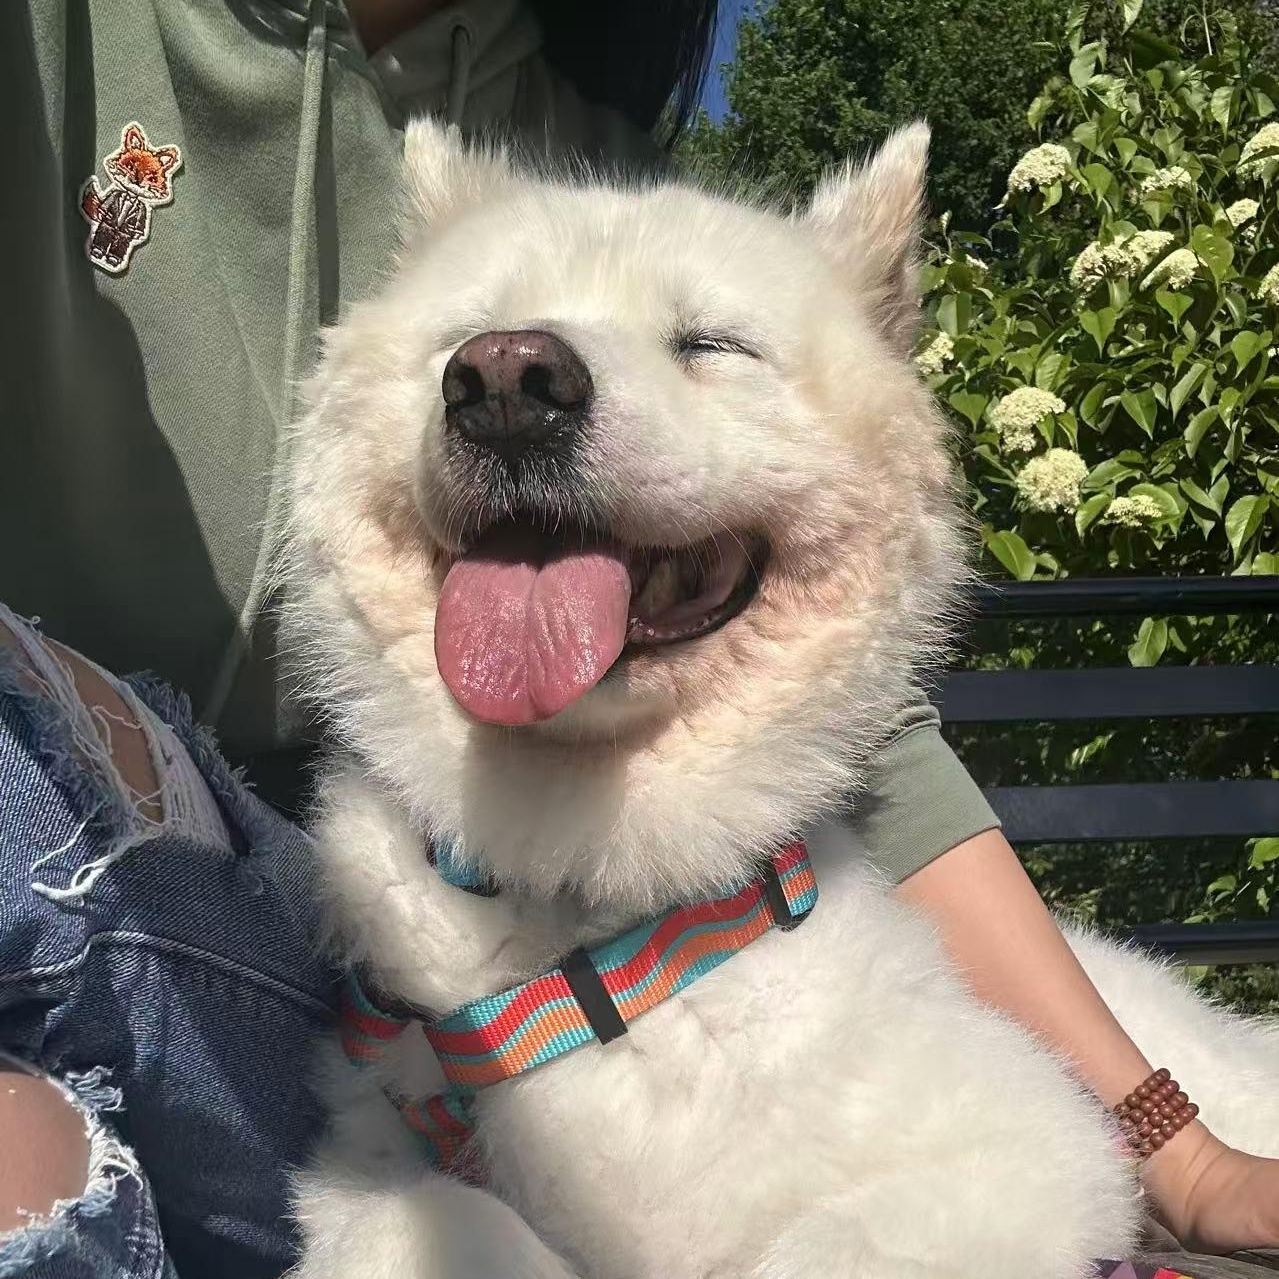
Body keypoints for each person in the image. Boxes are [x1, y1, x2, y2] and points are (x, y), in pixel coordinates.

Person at [1, 2, 1276, 1276]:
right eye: (467, 355)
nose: (515, 374)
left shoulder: (555, 123)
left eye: (707, 346)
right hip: (167, 863)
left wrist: (1182, 1145)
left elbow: (1021, 1154)